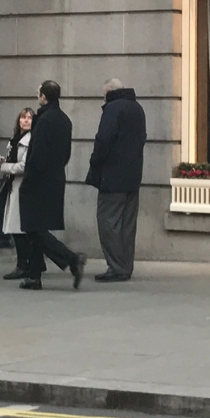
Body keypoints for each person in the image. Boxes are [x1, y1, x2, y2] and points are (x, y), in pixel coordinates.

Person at [18, 80, 86, 291]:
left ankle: (71, 259)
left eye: (39, 93)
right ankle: (34, 275)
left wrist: (29, 176)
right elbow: (65, 153)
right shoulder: (64, 120)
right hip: (55, 178)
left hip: (38, 180)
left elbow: (37, 154)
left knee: (32, 227)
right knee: (37, 227)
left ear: (44, 97)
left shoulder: (44, 120)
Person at [85, 77, 147, 283]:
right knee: (128, 224)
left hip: (112, 176)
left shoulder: (112, 109)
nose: (103, 99)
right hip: (133, 175)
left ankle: (116, 266)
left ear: (109, 92)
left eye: (104, 95)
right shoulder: (137, 108)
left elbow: (104, 139)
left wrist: (95, 161)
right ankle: (125, 266)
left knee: (107, 222)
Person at [0, 107, 35, 279]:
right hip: (13, 186)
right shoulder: (14, 140)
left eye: (29, 118)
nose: (25, 121)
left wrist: (5, 167)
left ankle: (23, 264)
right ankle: (25, 262)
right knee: (15, 228)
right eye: (23, 118)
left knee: (19, 228)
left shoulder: (29, 140)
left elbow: (24, 166)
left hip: (22, 187)